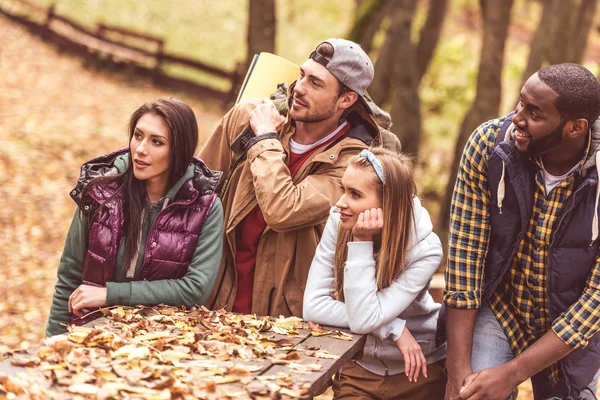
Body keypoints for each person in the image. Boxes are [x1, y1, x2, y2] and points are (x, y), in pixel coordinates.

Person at [199, 38, 401, 318]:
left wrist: (264, 138)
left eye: (316, 83)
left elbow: (283, 210)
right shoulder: (249, 116)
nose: (300, 89)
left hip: (285, 323)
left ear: (346, 99)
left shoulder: (354, 163)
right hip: (212, 301)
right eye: (301, 75)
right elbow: (197, 191)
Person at [442, 63, 600, 400]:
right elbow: (464, 261)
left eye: (534, 113)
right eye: (520, 103)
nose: (517, 118)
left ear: (576, 128)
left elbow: (595, 301)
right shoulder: (489, 145)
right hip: (503, 306)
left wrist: (512, 374)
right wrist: (458, 377)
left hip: (575, 329)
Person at [46, 98, 224, 336]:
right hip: (90, 336)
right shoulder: (101, 192)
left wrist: (110, 294)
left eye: (156, 142)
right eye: (138, 135)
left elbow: (195, 289)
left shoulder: (205, 206)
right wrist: (53, 342)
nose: (140, 149)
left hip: (161, 345)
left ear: (179, 150)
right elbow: (69, 277)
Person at [304, 147, 446, 399]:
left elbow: (365, 319)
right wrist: (393, 327)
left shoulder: (426, 249)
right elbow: (314, 306)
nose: (340, 203)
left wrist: (360, 242)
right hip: (359, 368)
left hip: (419, 371)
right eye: (343, 189)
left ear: (388, 204)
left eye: (355, 194)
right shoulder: (339, 221)